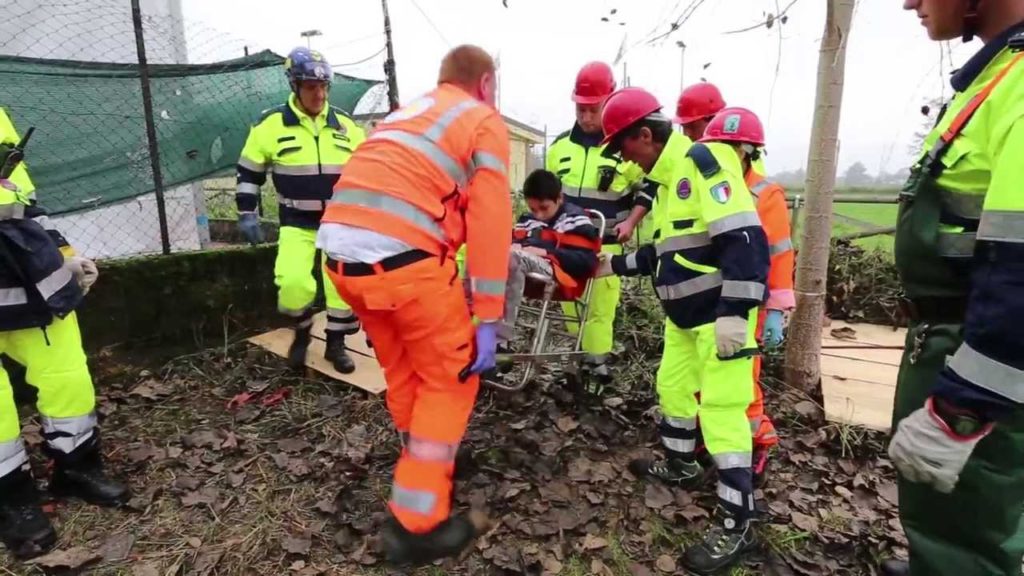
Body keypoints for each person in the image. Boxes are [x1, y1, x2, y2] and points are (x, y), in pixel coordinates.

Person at [316, 45, 511, 566]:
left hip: (341, 259)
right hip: (405, 261)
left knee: (405, 371)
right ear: (485, 84)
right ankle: (416, 526)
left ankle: (425, 463)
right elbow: (490, 220)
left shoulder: (408, 114)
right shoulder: (481, 120)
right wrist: (488, 315)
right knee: (451, 379)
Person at [596, 87, 769, 574]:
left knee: (722, 413)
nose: (625, 160)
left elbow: (745, 238)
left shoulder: (704, 161)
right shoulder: (671, 182)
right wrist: (612, 266)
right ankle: (681, 464)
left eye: (623, 149)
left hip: (719, 319)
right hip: (685, 319)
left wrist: (736, 311)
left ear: (643, 136)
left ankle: (739, 523)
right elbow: (670, 252)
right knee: (672, 388)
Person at [881, 2, 1024, 575]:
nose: (910, 2)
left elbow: (1020, 266)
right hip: (947, 333)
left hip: (980, 347)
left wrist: (964, 408)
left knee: (970, 524)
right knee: (943, 512)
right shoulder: (995, 76)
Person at [0, 108, 128, 560]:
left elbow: (24, 204)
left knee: (67, 374)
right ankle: (10, 498)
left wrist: (64, 256)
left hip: (25, 282)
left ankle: (75, 467)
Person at [235, 47, 367, 374]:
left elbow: (368, 171)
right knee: (293, 283)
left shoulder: (346, 125)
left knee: (341, 288)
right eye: (310, 86)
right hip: (296, 221)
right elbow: (249, 172)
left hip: (340, 224)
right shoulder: (271, 125)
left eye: (323, 86)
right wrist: (246, 211)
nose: (319, 94)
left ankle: (336, 344)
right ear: (294, 85)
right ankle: (303, 330)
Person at [699, 108, 794, 485]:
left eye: (730, 148)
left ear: (747, 152)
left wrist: (776, 310)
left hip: (749, 304)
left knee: (742, 383)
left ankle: (758, 442)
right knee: (708, 375)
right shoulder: (710, 187)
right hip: (711, 300)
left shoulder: (765, 194)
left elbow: (779, 253)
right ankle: (717, 440)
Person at [545, 61, 649, 388]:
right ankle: (576, 360)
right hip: (566, 244)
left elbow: (647, 189)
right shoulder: (560, 147)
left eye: (594, 110)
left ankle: (597, 366)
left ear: (608, 103)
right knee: (569, 305)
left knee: (601, 309)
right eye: (581, 109)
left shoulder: (624, 148)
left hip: (606, 244)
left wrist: (631, 221)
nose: (587, 117)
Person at [497, 169, 601, 347]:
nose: (539, 215)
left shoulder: (575, 220)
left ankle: (500, 342)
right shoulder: (526, 220)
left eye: (544, 208)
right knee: (490, 257)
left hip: (558, 274)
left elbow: (588, 262)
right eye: (533, 209)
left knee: (513, 258)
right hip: (524, 272)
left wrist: (546, 253)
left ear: (559, 198)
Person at [675, 82, 768, 175]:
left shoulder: (744, 150)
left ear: (713, 119)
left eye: (691, 127)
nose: (686, 134)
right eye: (683, 127)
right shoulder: (689, 153)